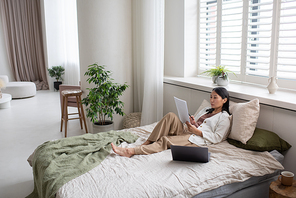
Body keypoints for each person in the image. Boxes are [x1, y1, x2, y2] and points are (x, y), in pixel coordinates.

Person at [111, 87, 231, 158]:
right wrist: (193, 123)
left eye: (215, 97)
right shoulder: (206, 109)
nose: (212, 100)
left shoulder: (224, 117)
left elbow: (217, 138)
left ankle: (131, 151)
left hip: (196, 138)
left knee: (165, 140)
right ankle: (147, 142)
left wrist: (197, 131)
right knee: (170, 116)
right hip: (189, 130)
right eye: (211, 97)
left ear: (224, 100)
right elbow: (198, 125)